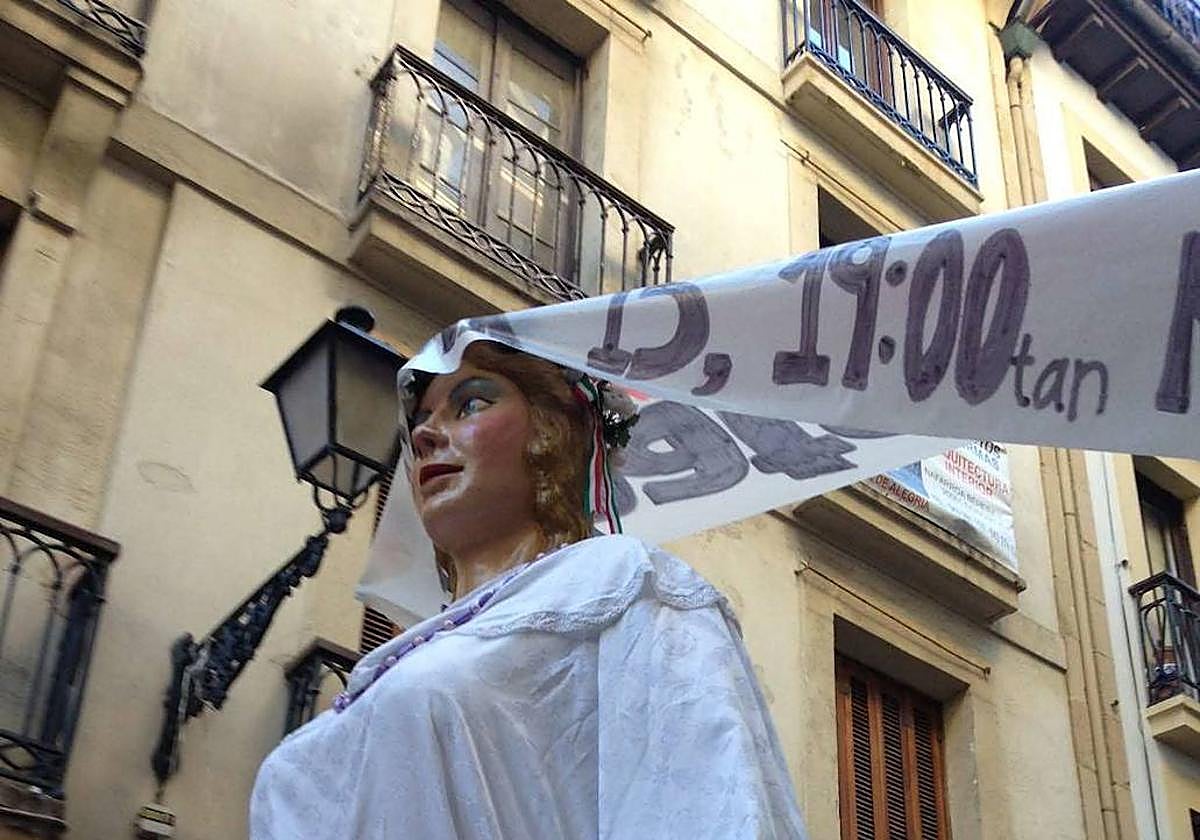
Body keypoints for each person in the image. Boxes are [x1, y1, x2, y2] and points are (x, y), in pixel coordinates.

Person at [250, 340, 808, 839]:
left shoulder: (619, 582)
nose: (422, 433)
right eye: (420, 418)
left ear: (551, 434)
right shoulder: (406, 661)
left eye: (470, 403)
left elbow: (708, 806)